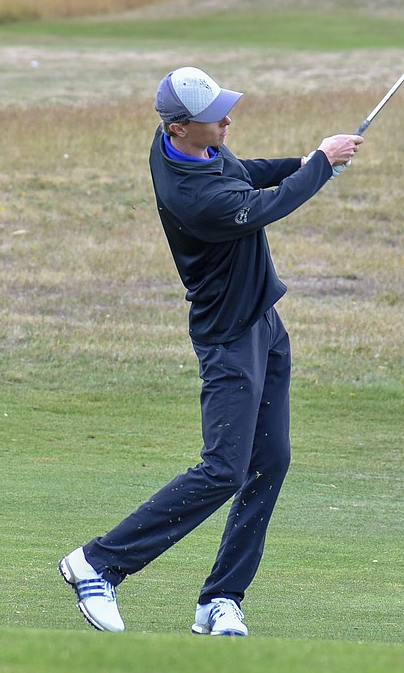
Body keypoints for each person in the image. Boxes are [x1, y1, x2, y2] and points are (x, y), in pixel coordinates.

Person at [58, 67, 363, 636]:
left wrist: (302, 163)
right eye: (214, 115)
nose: (227, 119)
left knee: (270, 460)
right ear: (179, 128)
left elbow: (242, 172)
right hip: (229, 338)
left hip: (264, 324)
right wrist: (320, 164)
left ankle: (220, 599)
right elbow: (263, 207)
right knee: (224, 467)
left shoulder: (187, 148)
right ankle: (97, 563)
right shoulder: (196, 198)